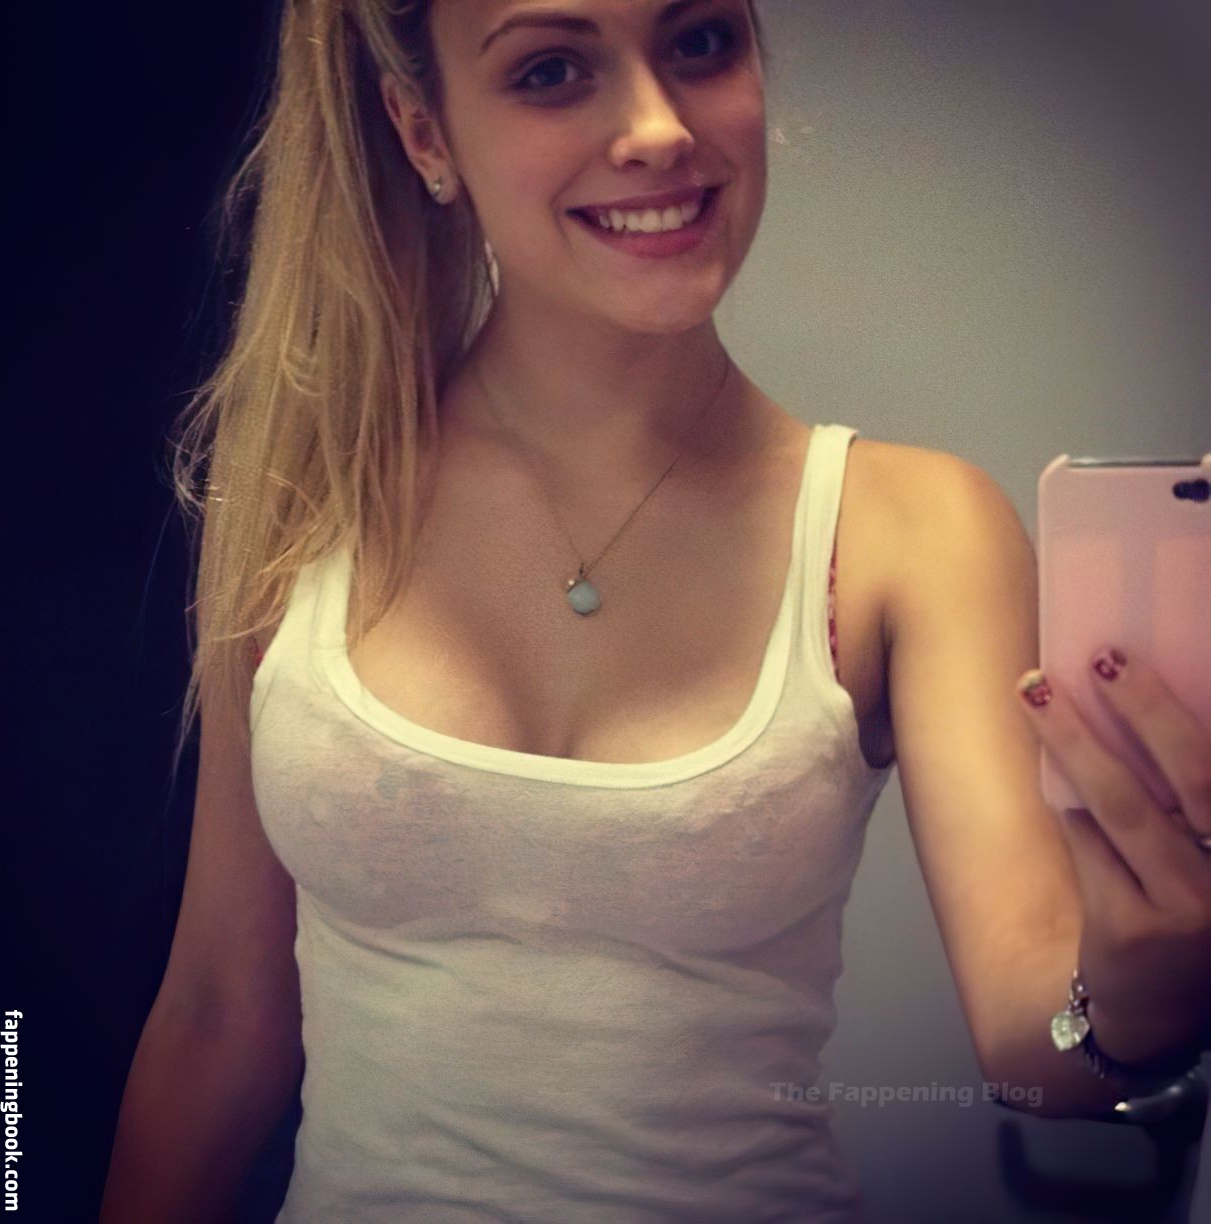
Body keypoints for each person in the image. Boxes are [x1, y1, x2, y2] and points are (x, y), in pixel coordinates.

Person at [99, 2, 1211, 1221]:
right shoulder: (304, 494)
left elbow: (1038, 1055)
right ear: (424, 132)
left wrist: (1137, 996)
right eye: (551, 70)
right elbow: (216, 1017)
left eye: (699, 43)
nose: (659, 129)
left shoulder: (915, 530)